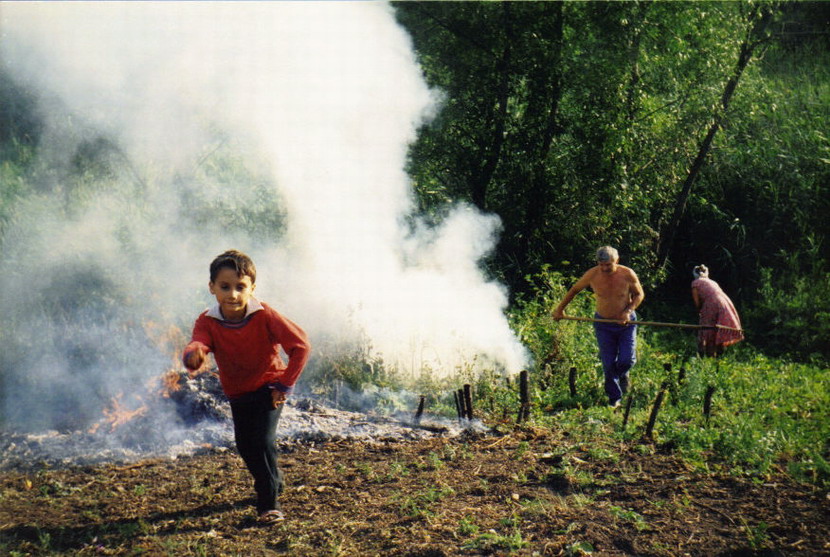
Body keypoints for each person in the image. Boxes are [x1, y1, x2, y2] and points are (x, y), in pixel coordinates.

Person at [183, 249, 311, 524]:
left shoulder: (264, 315)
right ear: (212, 288)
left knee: (262, 442)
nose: (233, 295)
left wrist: (285, 384)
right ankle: (274, 481)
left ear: (252, 288)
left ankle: (268, 504)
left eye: (241, 287)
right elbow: (199, 342)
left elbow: (300, 346)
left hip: (268, 387)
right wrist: (194, 354)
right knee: (246, 446)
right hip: (237, 391)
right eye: (225, 287)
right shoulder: (208, 320)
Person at [552, 246, 645, 408]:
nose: (604, 268)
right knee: (608, 364)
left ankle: (622, 375)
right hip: (603, 324)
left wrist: (628, 311)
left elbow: (639, 294)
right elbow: (574, 290)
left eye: (608, 265)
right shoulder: (592, 274)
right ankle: (614, 399)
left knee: (626, 360)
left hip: (626, 324)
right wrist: (560, 309)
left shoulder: (627, 274)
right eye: (601, 265)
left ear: (617, 261)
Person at [691, 264, 744, 357]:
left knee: (708, 328)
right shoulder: (713, 282)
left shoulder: (695, 283)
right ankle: (719, 353)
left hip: (711, 303)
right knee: (718, 326)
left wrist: (699, 311)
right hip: (724, 301)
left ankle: (709, 354)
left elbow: (697, 302)